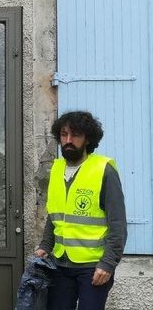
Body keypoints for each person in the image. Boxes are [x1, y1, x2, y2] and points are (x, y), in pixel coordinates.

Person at [35, 111, 127, 310]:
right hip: (59, 264)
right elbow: (55, 215)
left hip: (93, 267)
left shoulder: (104, 170)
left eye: (75, 135)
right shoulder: (56, 169)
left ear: (87, 139)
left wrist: (108, 263)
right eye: (63, 134)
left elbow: (118, 224)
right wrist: (45, 246)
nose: (68, 140)